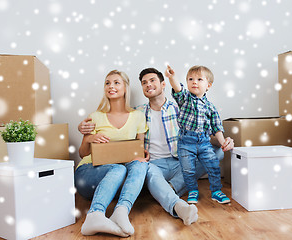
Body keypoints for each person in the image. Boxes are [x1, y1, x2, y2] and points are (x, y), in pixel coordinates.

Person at [78, 67, 234, 225]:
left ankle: (168, 189)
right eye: (144, 83)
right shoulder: (138, 113)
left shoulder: (182, 108)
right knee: (145, 170)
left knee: (215, 153)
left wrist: (224, 141)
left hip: (180, 161)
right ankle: (177, 204)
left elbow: (205, 136)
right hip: (153, 165)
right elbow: (129, 142)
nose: (148, 85)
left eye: (152, 80)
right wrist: (86, 132)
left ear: (164, 84)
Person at [75, 70, 149, 237]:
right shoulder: (95, 116)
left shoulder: (138, 116)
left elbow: (139, 149)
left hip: (117, 179)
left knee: (140, 164)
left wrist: (143, 155)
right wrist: (90, 138)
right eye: (107, 83)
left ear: (125, 88)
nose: (111, 86)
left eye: (116, 82)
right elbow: (82, 153)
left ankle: (121, 211)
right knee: (118, 169)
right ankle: (95, 215)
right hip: (88, 173)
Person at [165, 65, 232, 205]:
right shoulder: (185, 99)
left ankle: (216, 191)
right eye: (191, 79)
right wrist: (172, 77)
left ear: (208, 85)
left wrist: (222, 142)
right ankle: (192, 190)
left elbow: (217, 128)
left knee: (213, 165)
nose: (194, 82)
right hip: (185, 141)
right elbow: (178, 88)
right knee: (188, 169)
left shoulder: (210, 107)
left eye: (199, 79)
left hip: (204, 142)